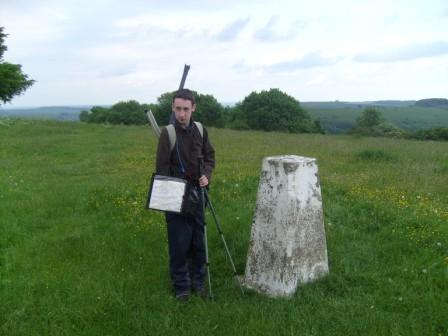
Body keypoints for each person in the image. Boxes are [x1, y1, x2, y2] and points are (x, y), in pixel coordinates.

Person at [155, 88, 215, 301]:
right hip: (176, 197)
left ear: (193, 109)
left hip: (198, 195)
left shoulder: (200, 129)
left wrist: (206, 175)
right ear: (173, 108)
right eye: (178, 109)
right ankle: (181, 286)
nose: (182, 114)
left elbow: (209, 157)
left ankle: (198, 282)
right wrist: (170, 194)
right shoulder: (167, 134)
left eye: (186, 109)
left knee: (198, 242)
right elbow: (161, 169)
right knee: (179, 244)